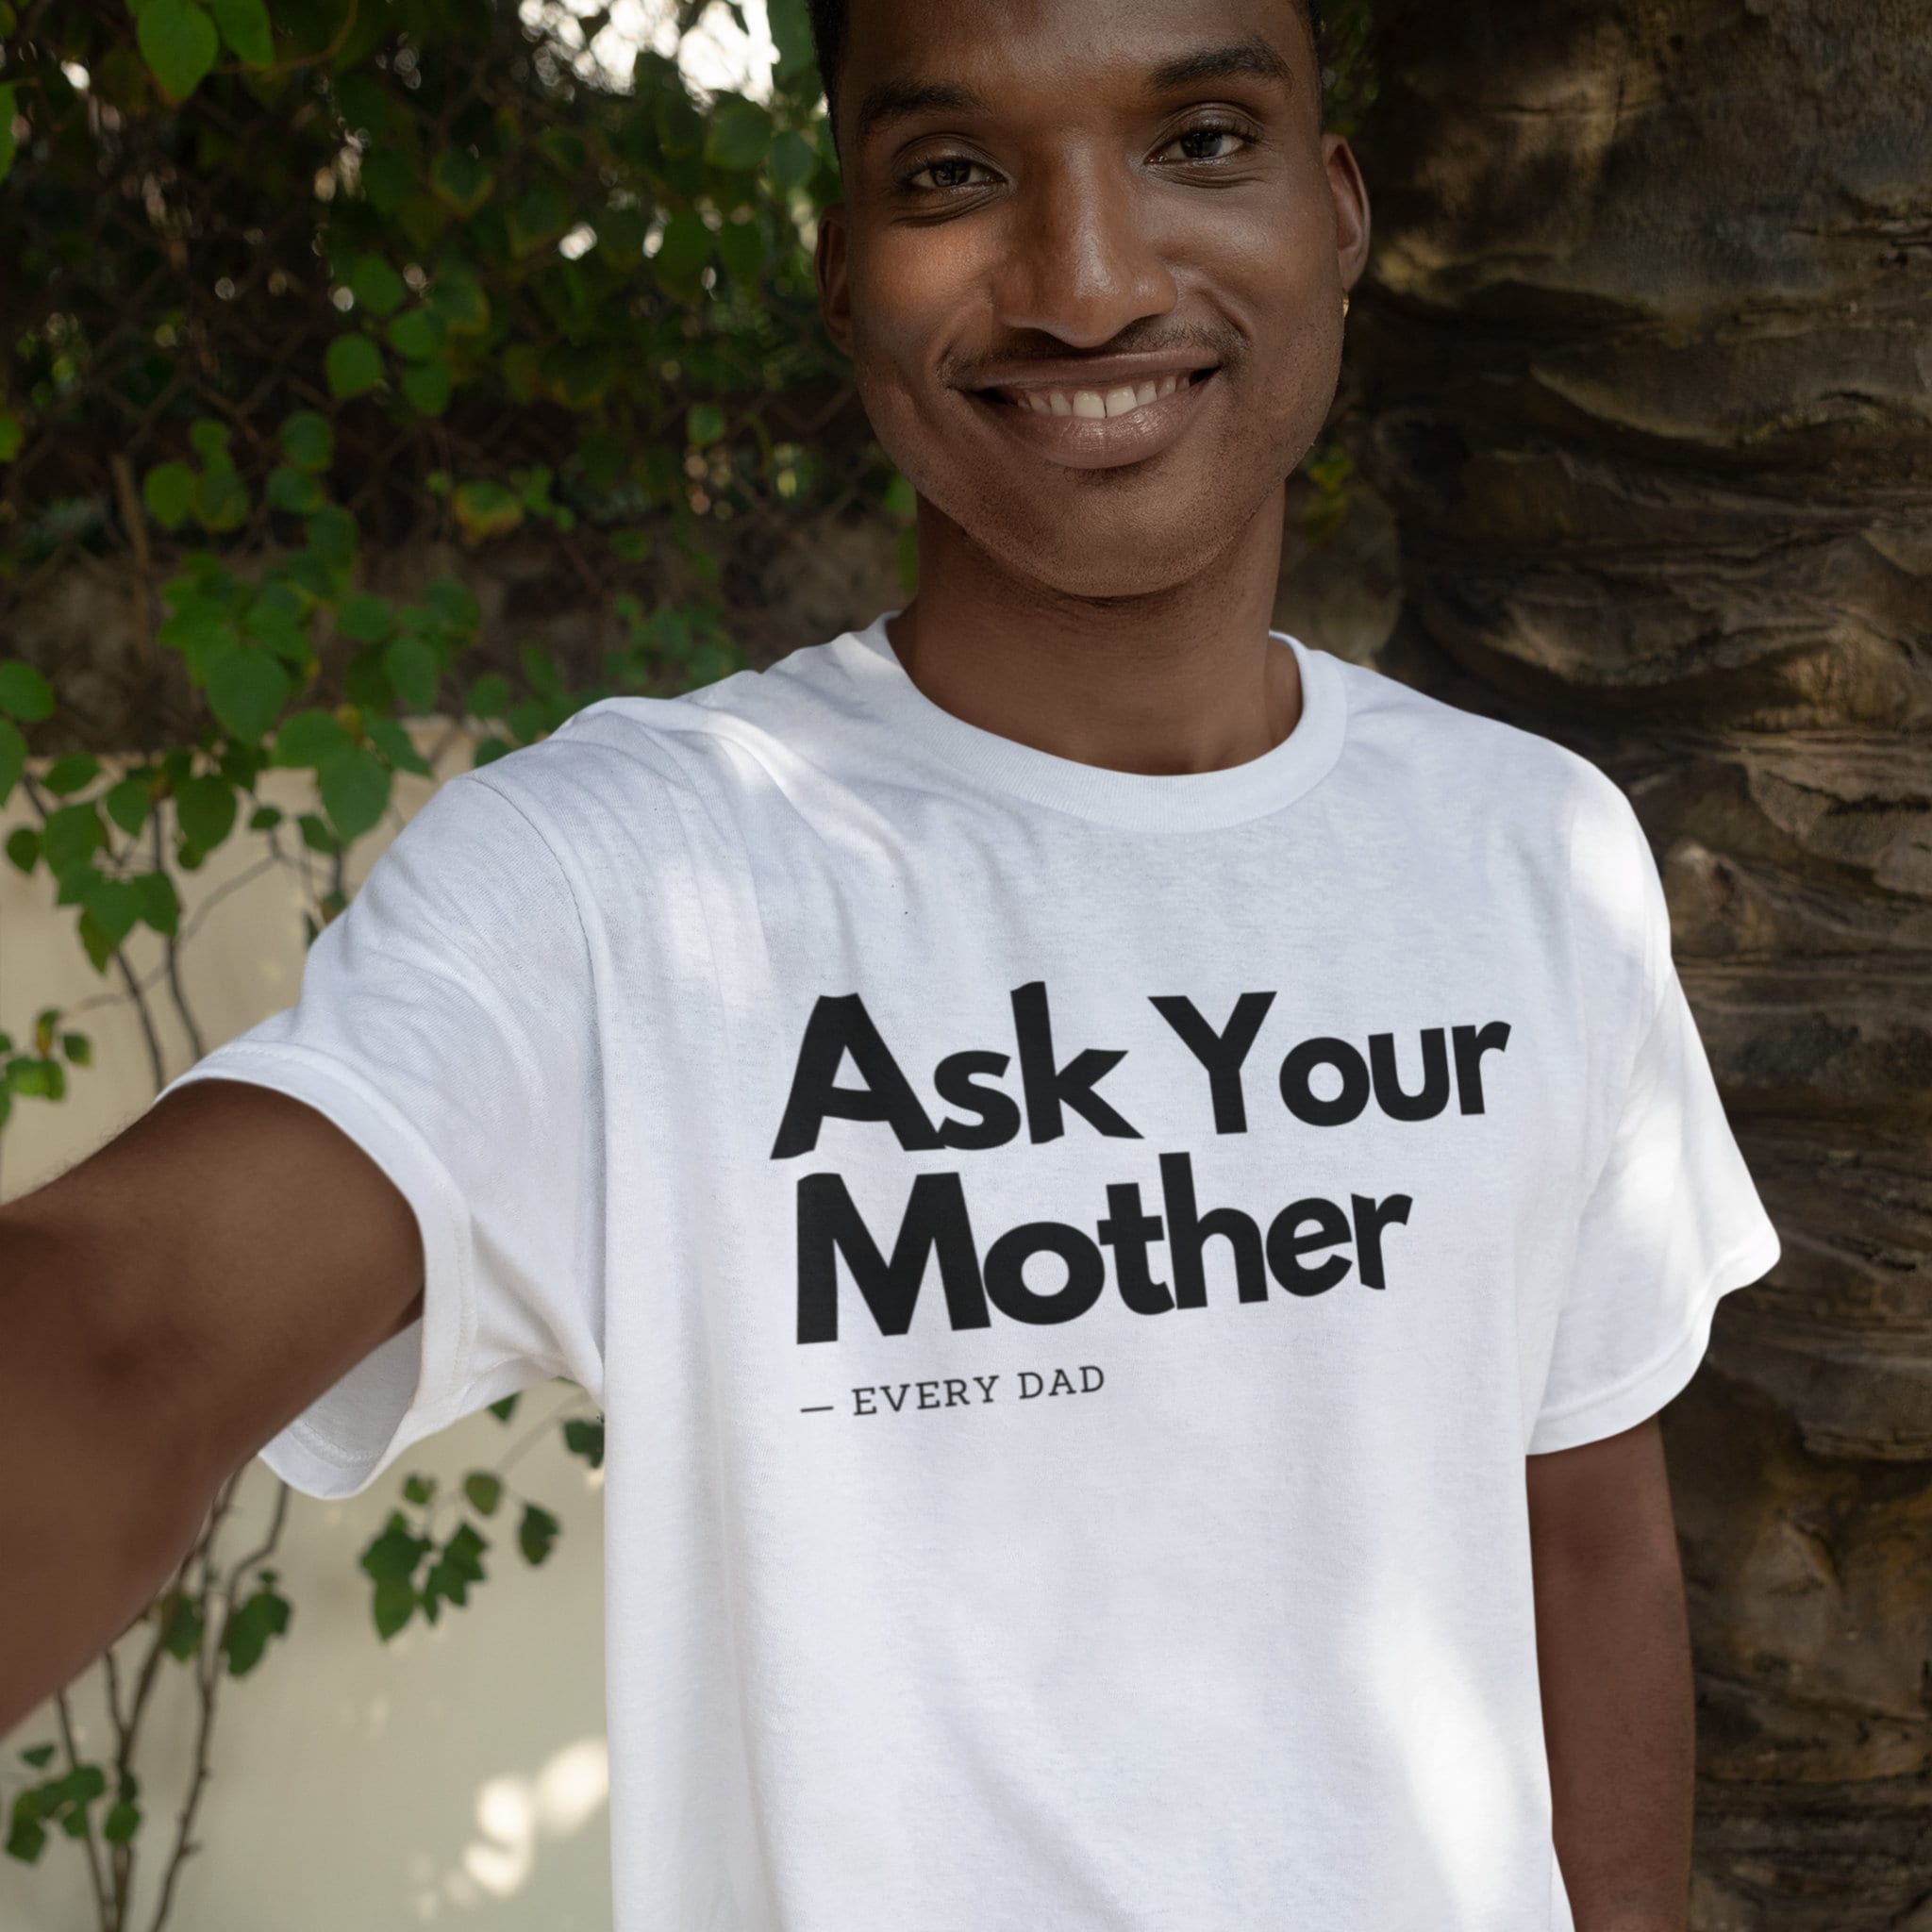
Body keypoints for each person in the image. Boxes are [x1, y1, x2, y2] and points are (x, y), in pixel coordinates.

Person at [0, 0, 1781, 1925]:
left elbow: (1580, 1535)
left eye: (1198, 141)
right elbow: (118, 1332)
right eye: (954, 174)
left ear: (1333, 209)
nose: (1088, 285)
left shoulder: (1529, 851)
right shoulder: (631, 879)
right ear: (844, 272)